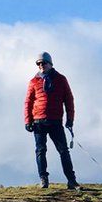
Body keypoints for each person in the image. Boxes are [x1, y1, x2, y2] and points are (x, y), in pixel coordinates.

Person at [24, 52, 78, 189]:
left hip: (55, 121)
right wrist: (27, 120)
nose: (41, 65)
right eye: (38, 63)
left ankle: (71, 180)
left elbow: (69, 100)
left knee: (64, 151)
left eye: (43, 63)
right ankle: (43, 179)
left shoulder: (61, 79)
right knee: (40, 150)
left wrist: (70, 119)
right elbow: (28, 102)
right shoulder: (33, 82)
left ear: (50, 64)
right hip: (38, 121)